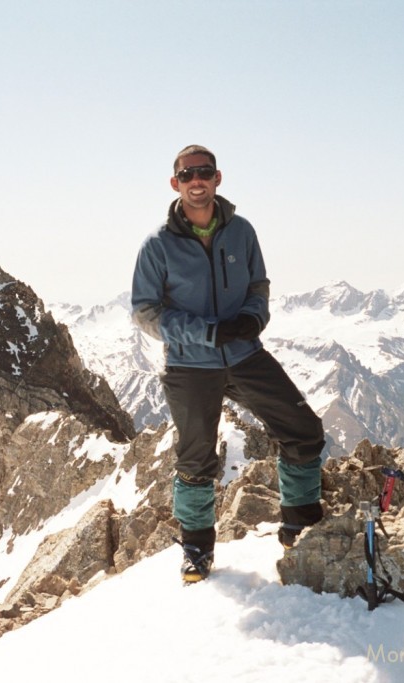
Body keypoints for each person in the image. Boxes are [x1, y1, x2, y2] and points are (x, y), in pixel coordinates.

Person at [131, 144, 326, 583]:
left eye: (204, 172)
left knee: (302, 429)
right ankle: (197, 549)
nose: (196, 180)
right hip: (190, 364)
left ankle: (300, 523)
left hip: (244, 354)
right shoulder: (158, 245)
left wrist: (254, 317)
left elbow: (258, 284)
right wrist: (205, 332)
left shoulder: (241, 231)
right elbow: (145, 313)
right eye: (187, 175)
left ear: (218, 178)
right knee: (197, 457)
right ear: (175, 183)